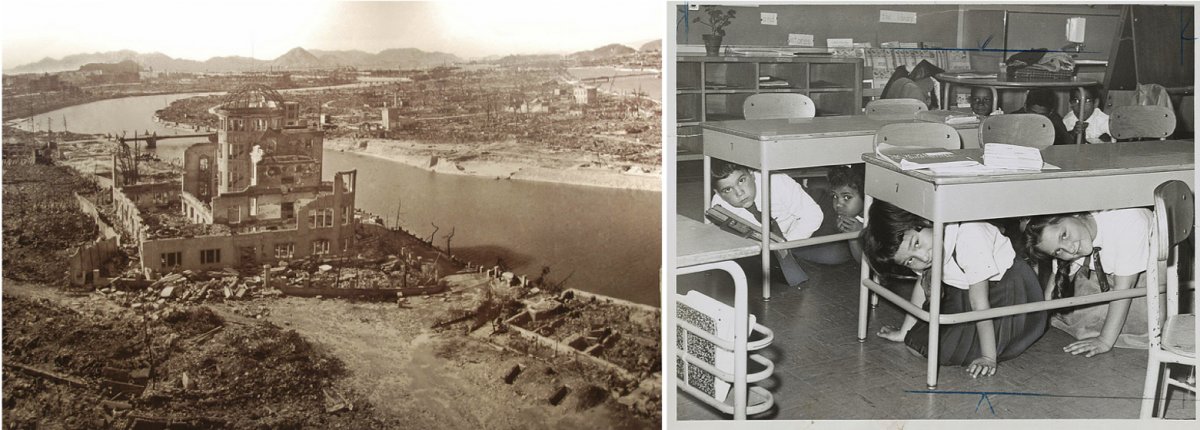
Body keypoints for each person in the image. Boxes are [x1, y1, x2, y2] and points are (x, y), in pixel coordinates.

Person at [862, 201, 1047, 377]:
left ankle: (989, 345)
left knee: (937, 349)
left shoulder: (969, 235)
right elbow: (922, 286)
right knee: (915, 343)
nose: (923, 258)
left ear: (924, 220)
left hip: (1007, 292)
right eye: (909, 260)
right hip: (966, 291)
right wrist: (904, 332)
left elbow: (980, 303)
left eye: (916, 244)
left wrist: (988, 357)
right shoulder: (925, 245)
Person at [1023, 209, 1152, 357]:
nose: (1070, 249)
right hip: (1114, 279)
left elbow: (1125, 288)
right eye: (1058, 251)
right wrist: (1036, 324)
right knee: (1074, 312)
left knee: (1133, 325)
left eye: (1064, 235)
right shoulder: (1075, 233)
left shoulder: (1128, 221)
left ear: (1075, 213)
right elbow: (1053, 286)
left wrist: (1104, 341)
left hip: (1152, 280)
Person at [711, 159, 823, 286]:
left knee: (834, 255)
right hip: (768, 244)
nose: (739, 192)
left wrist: (786, 244)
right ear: (718, 193)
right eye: (728, 190)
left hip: (799, 223)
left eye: (742, 180)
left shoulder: (777, 181)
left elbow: (813, 215)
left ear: (751, 173)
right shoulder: (718, 207)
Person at [794, 164, 865, 265]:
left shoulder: (875, 217)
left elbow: (864, 264)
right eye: (835, 196)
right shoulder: (830, 206)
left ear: (866, 196)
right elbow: (815, 184)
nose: (839, 204)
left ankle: (789, 248)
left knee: (837, 254)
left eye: (847, 197)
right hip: (815, 229)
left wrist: (853, 237)